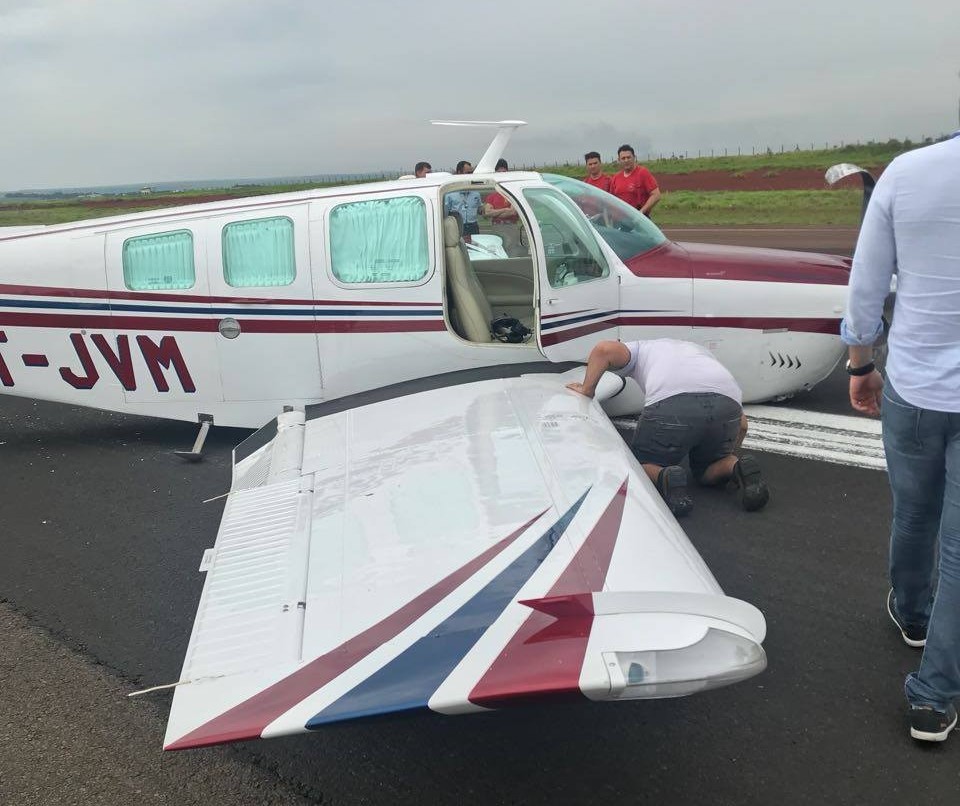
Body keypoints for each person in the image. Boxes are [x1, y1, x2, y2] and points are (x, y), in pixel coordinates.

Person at [842, 133, 960, 743]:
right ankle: (934, 697)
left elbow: (867, 283)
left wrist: (860, 363)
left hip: (914, 385)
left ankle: (911, 612)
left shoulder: (908, 173)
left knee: (914, 512)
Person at [566, 339, 768, 516]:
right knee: (708, 470)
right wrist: (728, 453)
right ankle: (736, 467)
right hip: (728, 403)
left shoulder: (639, 350)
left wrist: (587, 390)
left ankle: (665, 475)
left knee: (639, 465)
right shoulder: (702, 356)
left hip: (673, 401)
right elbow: (742, 425)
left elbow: (604, 349)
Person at [609, 144, 660, 217]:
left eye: (628, 157)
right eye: (623, 158)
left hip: (639, 219)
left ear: (634, 158)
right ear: (619, 160)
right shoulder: (616, 178)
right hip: (621, 220)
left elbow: (656, 195)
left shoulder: (642, 173)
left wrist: (641, 212)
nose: (626, 160)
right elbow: (611, 200)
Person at [444, 160, 482, 237]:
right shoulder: (450, 193)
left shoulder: (476, 192)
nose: (470, 175)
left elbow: (480, 210)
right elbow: (445, 213)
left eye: (471, 173)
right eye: (468, 173)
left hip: (473, 226)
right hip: (457, 226)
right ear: (459, 172)